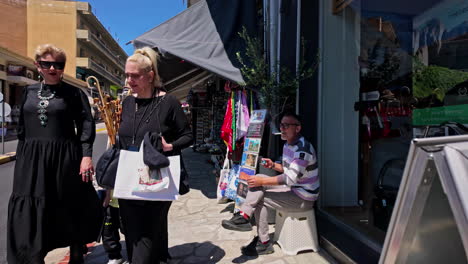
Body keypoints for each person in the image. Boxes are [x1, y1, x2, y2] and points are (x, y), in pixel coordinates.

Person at [7, 44, 102, 264]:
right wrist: (22, 156)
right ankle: (32, 254)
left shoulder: (73, 93)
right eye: (46, 64)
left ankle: (76, 249)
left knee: (68, 203)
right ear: (37, 65)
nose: (52, 68)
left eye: (58, 64)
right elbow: (22, 127)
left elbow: (86, 125)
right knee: (30, 205)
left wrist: (86, 156)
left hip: (65, 157)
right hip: (31, 158)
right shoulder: (28, 92)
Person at [118, 47, 192, 263]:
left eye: (135, 75)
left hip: (157, 177)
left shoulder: (168, 102)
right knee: (132, 231)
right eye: (127, 74)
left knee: (146, 231)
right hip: (128, 175)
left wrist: (168, 146)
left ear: (150, 76)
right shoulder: (127, 102)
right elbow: (121, 139)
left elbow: (187, 136)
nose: (129, 80)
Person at [221, 113, 319, 256]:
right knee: (259, 177)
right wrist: (273, 165)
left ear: (297, 128)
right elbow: (287, 170)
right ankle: (244, 217)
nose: (282, 128)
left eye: (286, 125)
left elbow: (290, 178)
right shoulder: (288, 145)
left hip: (304, 198)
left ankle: (263, 241)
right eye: (281, 125)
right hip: (294, 190)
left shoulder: (303, 149)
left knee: (260, 196)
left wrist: (262, 182)